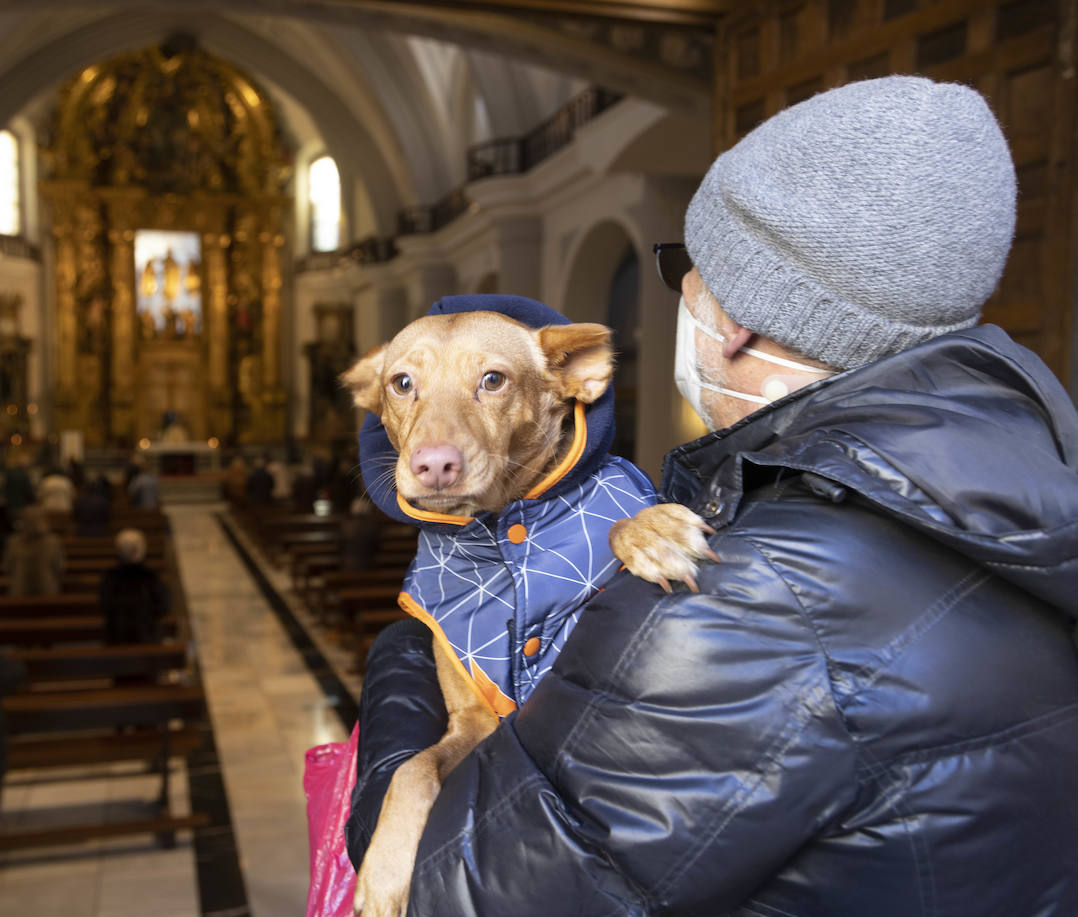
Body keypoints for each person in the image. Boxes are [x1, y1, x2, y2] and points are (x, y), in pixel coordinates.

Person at [352, 76, 1078, 915]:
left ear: (734, 321)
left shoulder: (750, 597)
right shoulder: (1021, 478)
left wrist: (406, 658)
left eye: (683, 273)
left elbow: (464, 890)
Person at [99, 528, 170, 645]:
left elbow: (103, 606)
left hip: (116, 638)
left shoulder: (110, 577)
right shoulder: (150, 577)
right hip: (147, 637)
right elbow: (164, 607)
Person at [2, 505, 64, 596]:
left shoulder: (13, 542)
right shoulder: (53, 541)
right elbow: (60, 568)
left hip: (19, 592)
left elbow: (7, 567)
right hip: (48, 592)